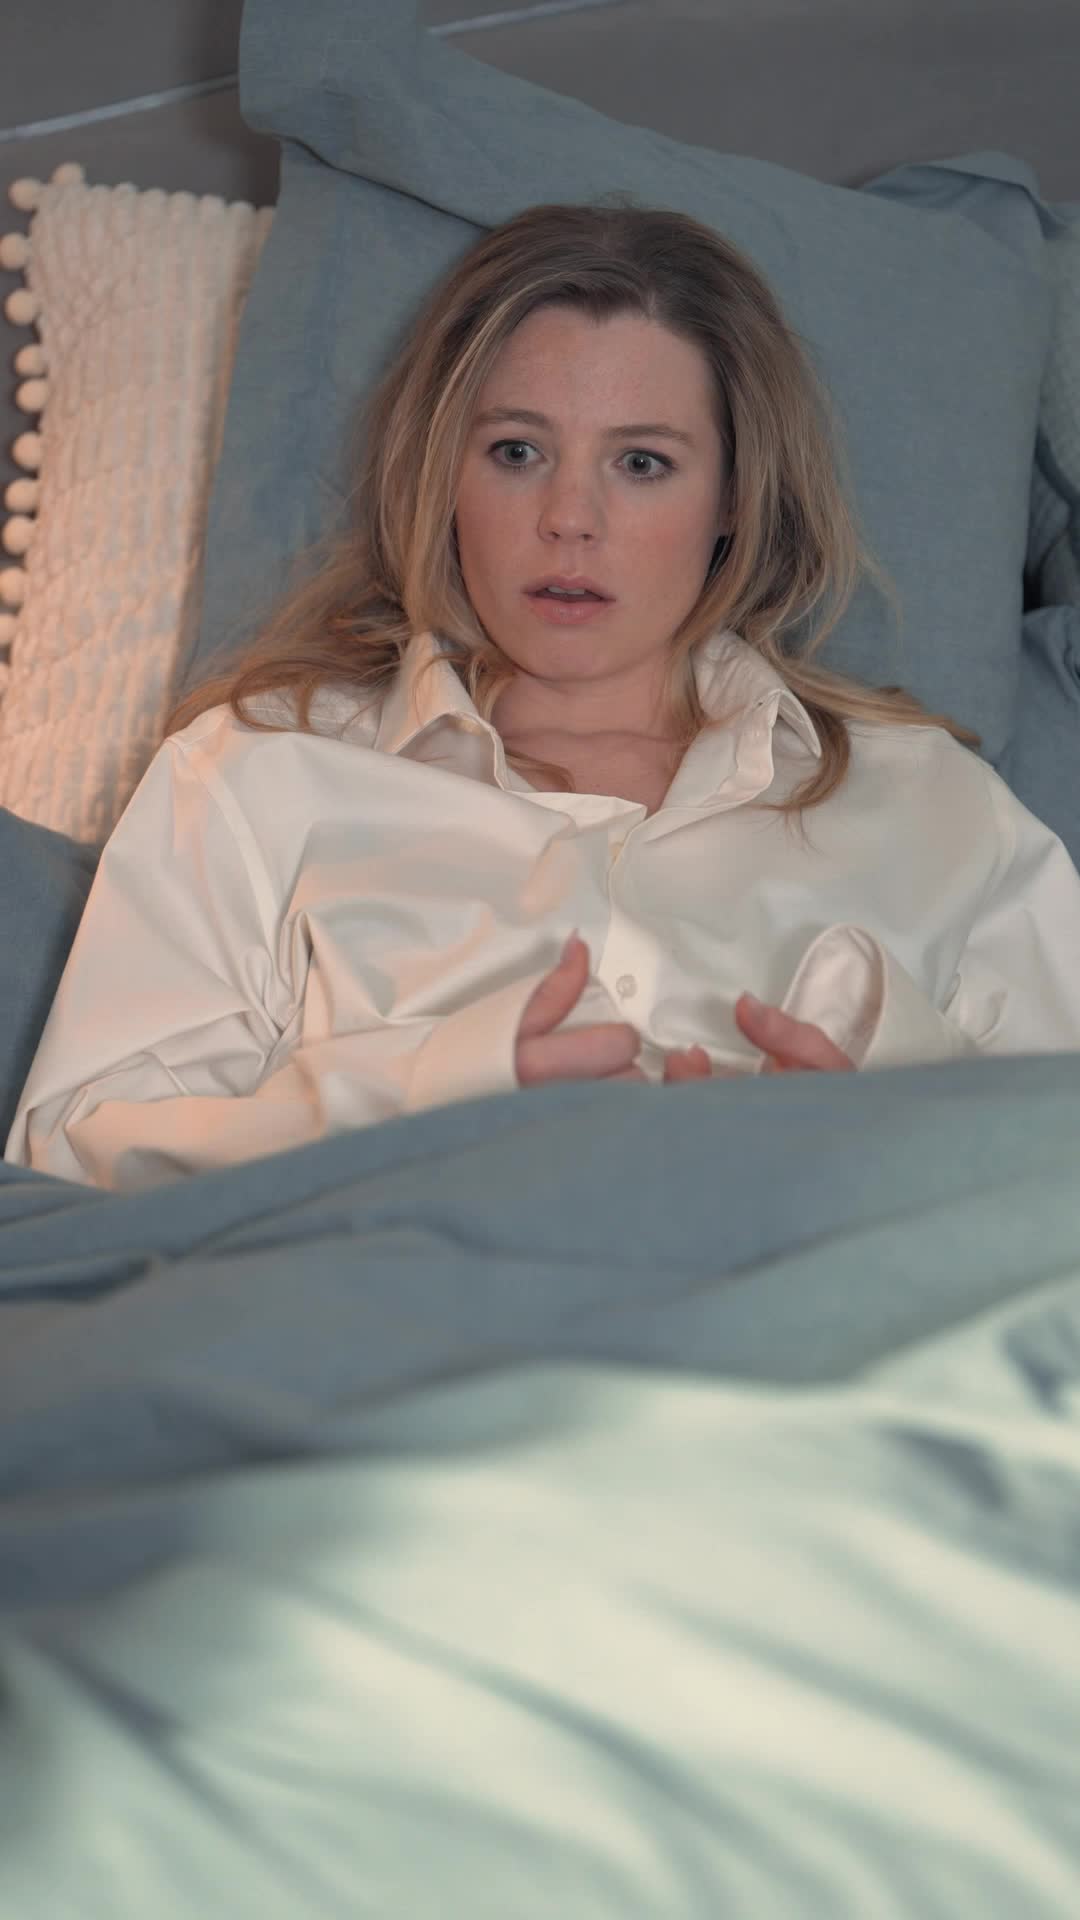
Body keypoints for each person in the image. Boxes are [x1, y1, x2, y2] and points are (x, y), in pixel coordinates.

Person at [6, 199, 1080, 1191]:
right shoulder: (253, 775)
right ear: (444, 475)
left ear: (734, 498)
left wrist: (894, 1129)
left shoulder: (933, 805)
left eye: (642, 463)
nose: (569, 516)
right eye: (517, 451)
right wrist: (434, 1093)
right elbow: (74, 1168)